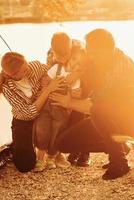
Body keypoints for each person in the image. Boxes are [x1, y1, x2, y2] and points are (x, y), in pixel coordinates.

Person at [50, 29, 134, 180]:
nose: (89, 55)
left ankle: (119, 162)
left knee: (97, 109)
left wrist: (69, 102)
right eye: (88, 51)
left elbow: (93, 106)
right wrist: (79, 88)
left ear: (105, 50)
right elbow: (82, 73)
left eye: (91, 52)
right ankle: (120, 147)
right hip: (109, 118)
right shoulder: (99, 61)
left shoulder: (120, 67)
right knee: (64, 143)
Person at [0, 52, 65, 172]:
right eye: (24, 70)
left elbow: (52, 72)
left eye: (27, 65)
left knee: (57, 116)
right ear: (12, 75)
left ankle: (53, 152)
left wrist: (46, 79)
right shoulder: (6, 87)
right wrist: (47, 90)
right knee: (25, 165)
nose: (28, 69)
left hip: (43, 112)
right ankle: (18, 147)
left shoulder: (35, 66)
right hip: (23, 120)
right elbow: (28, 113)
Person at [33, 32, 89, 172]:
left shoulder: (81, 52)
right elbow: (46, 80)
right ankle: (44, 156)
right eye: (59, 56)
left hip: (67, 102)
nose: (62, 60)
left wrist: (75, 90)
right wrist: (47, 86)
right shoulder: (53, 58)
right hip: (50, 102)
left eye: (66, 57)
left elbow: (81, 83)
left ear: (71, 49)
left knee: (65, 126)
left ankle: (78, 151)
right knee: (43, 128)